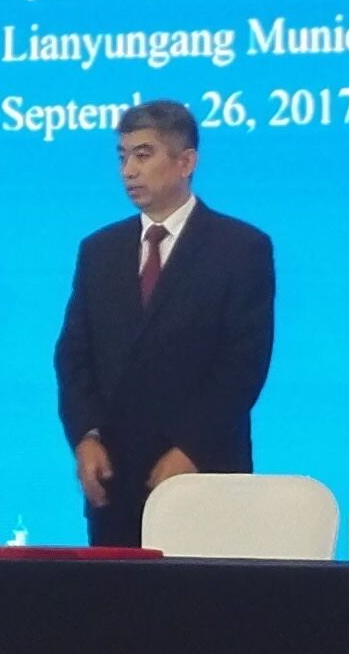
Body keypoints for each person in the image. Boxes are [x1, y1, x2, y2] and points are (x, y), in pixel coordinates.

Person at [51, 100, 274, 549]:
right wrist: (86, 437)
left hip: (205, 473)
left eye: (143, 154)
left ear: (186, 162)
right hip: (115, 478)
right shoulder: (99, 250)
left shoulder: (240, 248)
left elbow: (243, 365)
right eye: (122, 156)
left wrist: (192, 447)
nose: (128, 170)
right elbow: (74, 355)